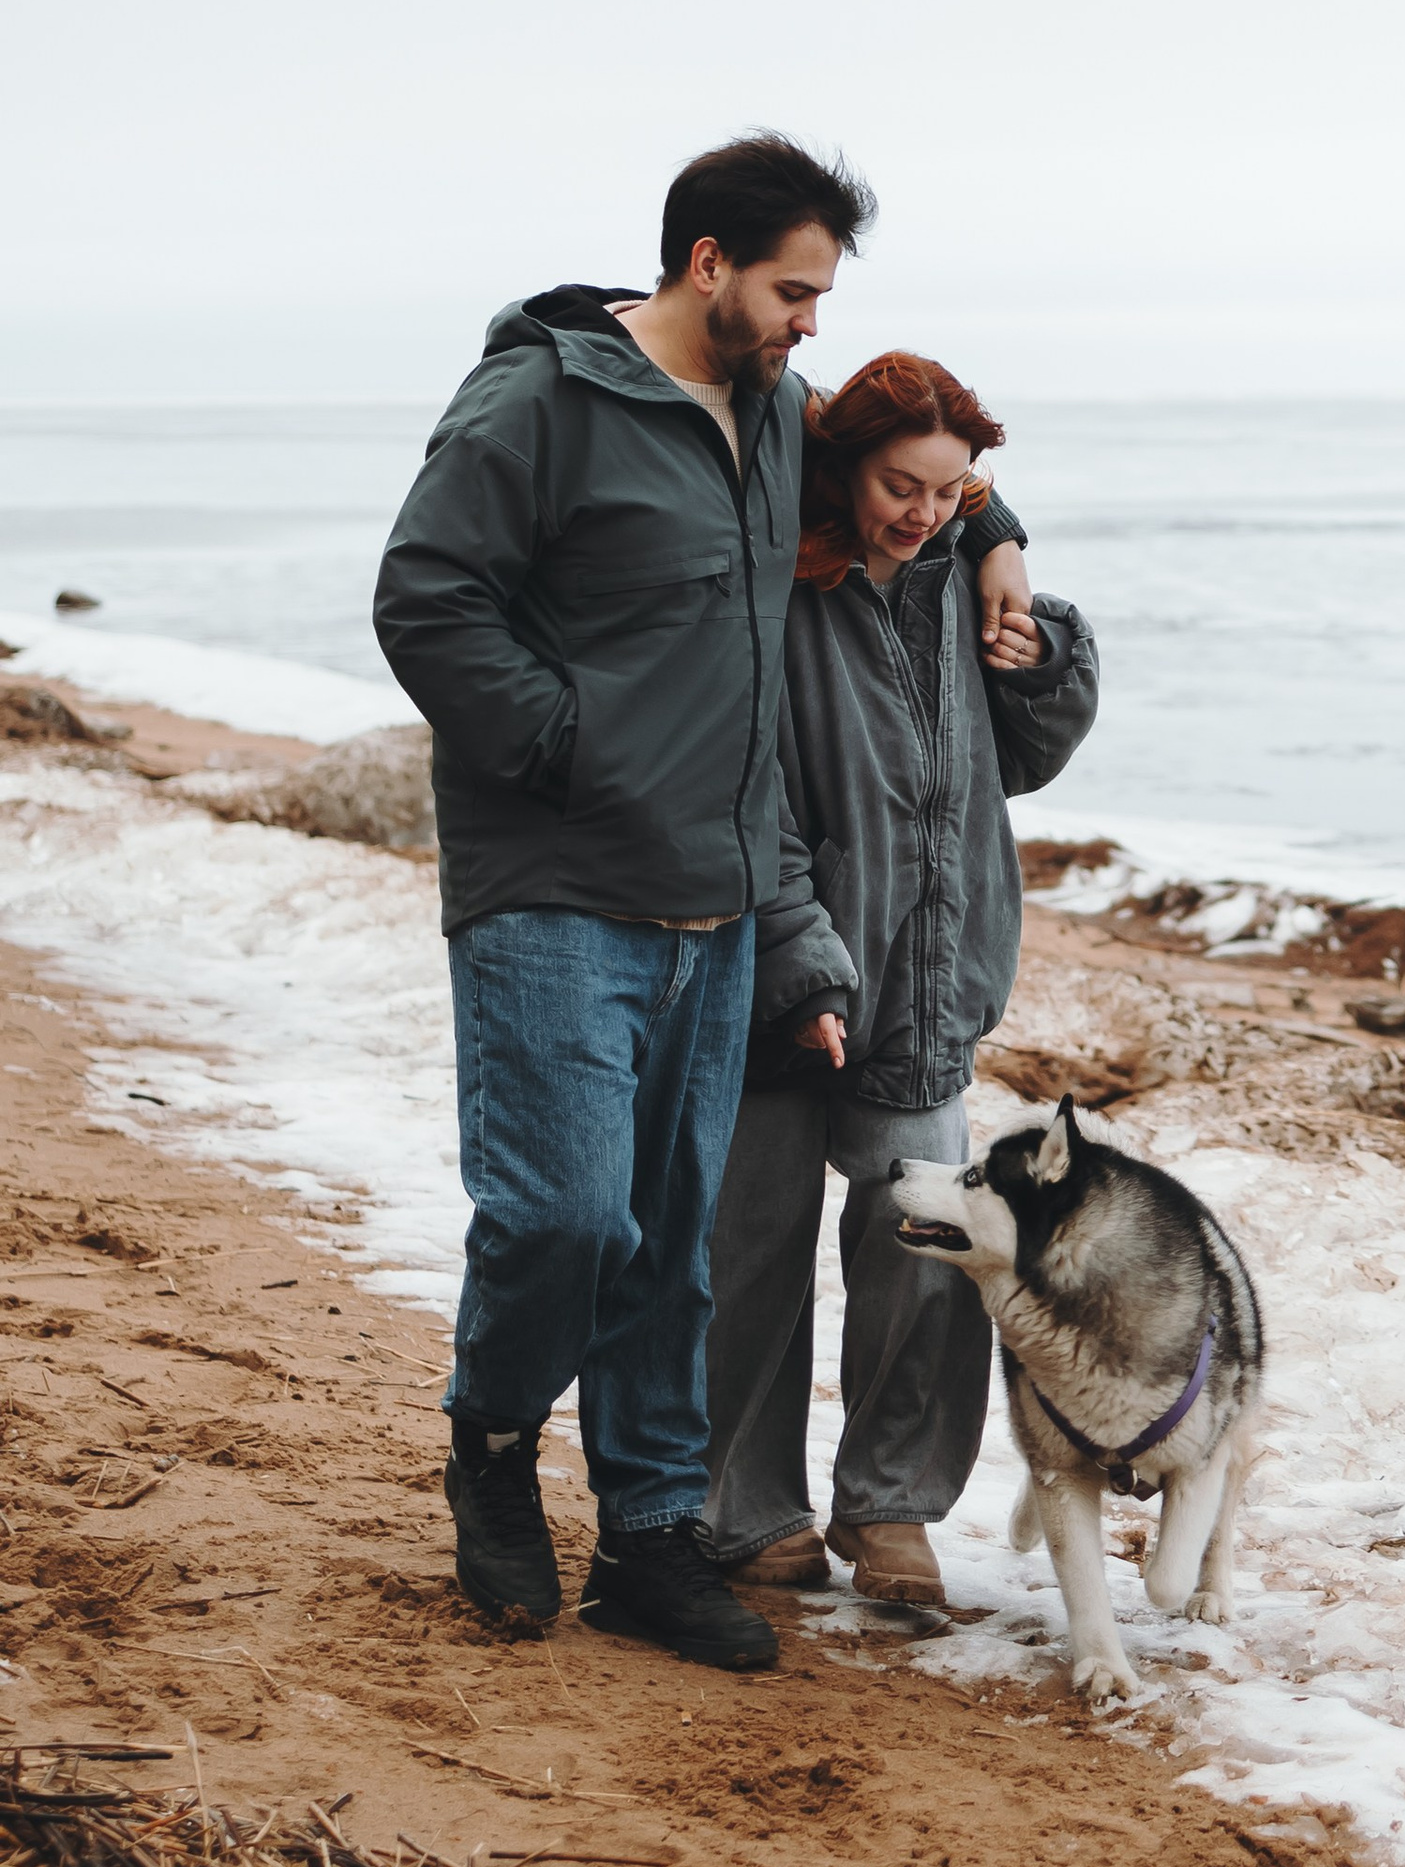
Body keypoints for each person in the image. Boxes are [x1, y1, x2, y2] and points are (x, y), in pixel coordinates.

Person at [373, 138, 1032, 1670]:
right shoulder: (543, 400)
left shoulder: (777, 408)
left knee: (677, 1242)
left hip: (716, 900)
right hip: (555, 883)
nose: (814, 321)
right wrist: (568, 750)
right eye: (797, 290)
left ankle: (652, 1539)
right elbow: (427, 597)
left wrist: (1000, 539)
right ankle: (493, 1443)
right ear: (707, 262)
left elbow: (926, 457)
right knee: (564, 1214)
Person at [702, 349, 1098, 1617]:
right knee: (749, 1253)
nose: (922, 512)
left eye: (948, 491)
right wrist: (800, 959)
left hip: (925, 972)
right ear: (842, 470)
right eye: (897, 485)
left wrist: (1037, 653)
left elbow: (1023, 761)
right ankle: (744, 1508)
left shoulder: (961, 577)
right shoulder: (773, 578)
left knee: (922, 1250)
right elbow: (745, 795)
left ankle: (890, 1508)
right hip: (774, 973)